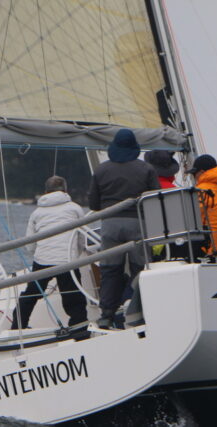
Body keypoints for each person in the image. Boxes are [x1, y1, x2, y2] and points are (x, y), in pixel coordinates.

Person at [87, 129, 159, 328]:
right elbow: (155, 200)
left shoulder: (101, 170)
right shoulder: (146, 169)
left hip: (110, 225)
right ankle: (141, 311)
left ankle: (106, 315)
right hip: (138, 224)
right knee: (140, 269)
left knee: (110, 270)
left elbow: (93, 204)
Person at [11, 176, 88, 330]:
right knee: (73, 297)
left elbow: (30, 244)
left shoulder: (37, 213)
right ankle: (79, 328)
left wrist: (40, 253)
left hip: (42, 260)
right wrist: (75, 254)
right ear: (65, 190)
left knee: (32, 293)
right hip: (67, 260)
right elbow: (82, 238)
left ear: (46, 191)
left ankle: (18, 327)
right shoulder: (75, 208)